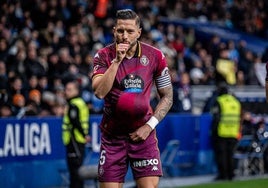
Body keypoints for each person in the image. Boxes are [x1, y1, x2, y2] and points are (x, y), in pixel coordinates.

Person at [92, 9, 173, 188]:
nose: (124, 36)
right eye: (120, 31)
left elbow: (167, 96)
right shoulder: (103, 56)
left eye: (129, 31)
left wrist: (149, 126)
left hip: (143, 136)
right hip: (113, 138)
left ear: (139, 32)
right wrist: (117, 61)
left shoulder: (155, 56)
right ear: (114, 31)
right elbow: (99, 92)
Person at [210, 82, 242, 181]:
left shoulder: (219, 101)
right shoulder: (235, 101)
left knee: (222, 155)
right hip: (233, 132)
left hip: (222, 132)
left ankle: (223, 175)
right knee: (231, 154)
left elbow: (216, 117)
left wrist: (213, 130)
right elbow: (240, 117)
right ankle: (231, 174)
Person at [62, 80, 90, 188]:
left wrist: (84, 135)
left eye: (69, 90)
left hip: (74, 141)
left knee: (75, 173)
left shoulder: (74, 104)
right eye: (66, 89)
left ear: (76, 91)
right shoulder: (80, 102)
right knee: (78, 171)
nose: (66, 92)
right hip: (78, 141)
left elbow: (75, 122)